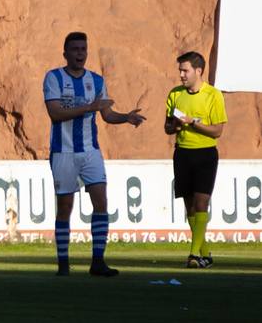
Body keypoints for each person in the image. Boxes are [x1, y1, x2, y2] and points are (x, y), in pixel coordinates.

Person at [44, 31, 144, 277]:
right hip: (63, 151)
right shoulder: (54, 78)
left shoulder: (96, 81)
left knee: (101, 201)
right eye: (75, 49)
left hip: (90, 151)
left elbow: (107, 114)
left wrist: (125, 118)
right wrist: (88, 107)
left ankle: (98, 261)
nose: (80, 53)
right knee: (65, 206)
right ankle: (63, 263)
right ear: (65, 53)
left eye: (83, 49)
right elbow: (55, 113)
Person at [164, 50, 227, 268]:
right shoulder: (175, 94)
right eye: (180, 70)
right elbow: (167, 127)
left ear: (198, 71)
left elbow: (217, 131)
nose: (181, 74)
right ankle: (206, 253)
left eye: (185, 70)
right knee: (189, 206)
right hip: (182, 152)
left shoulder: (213, 95)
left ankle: (193, 255)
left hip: (205, 153)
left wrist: (193, 123)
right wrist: (176, 125)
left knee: (202, 203)